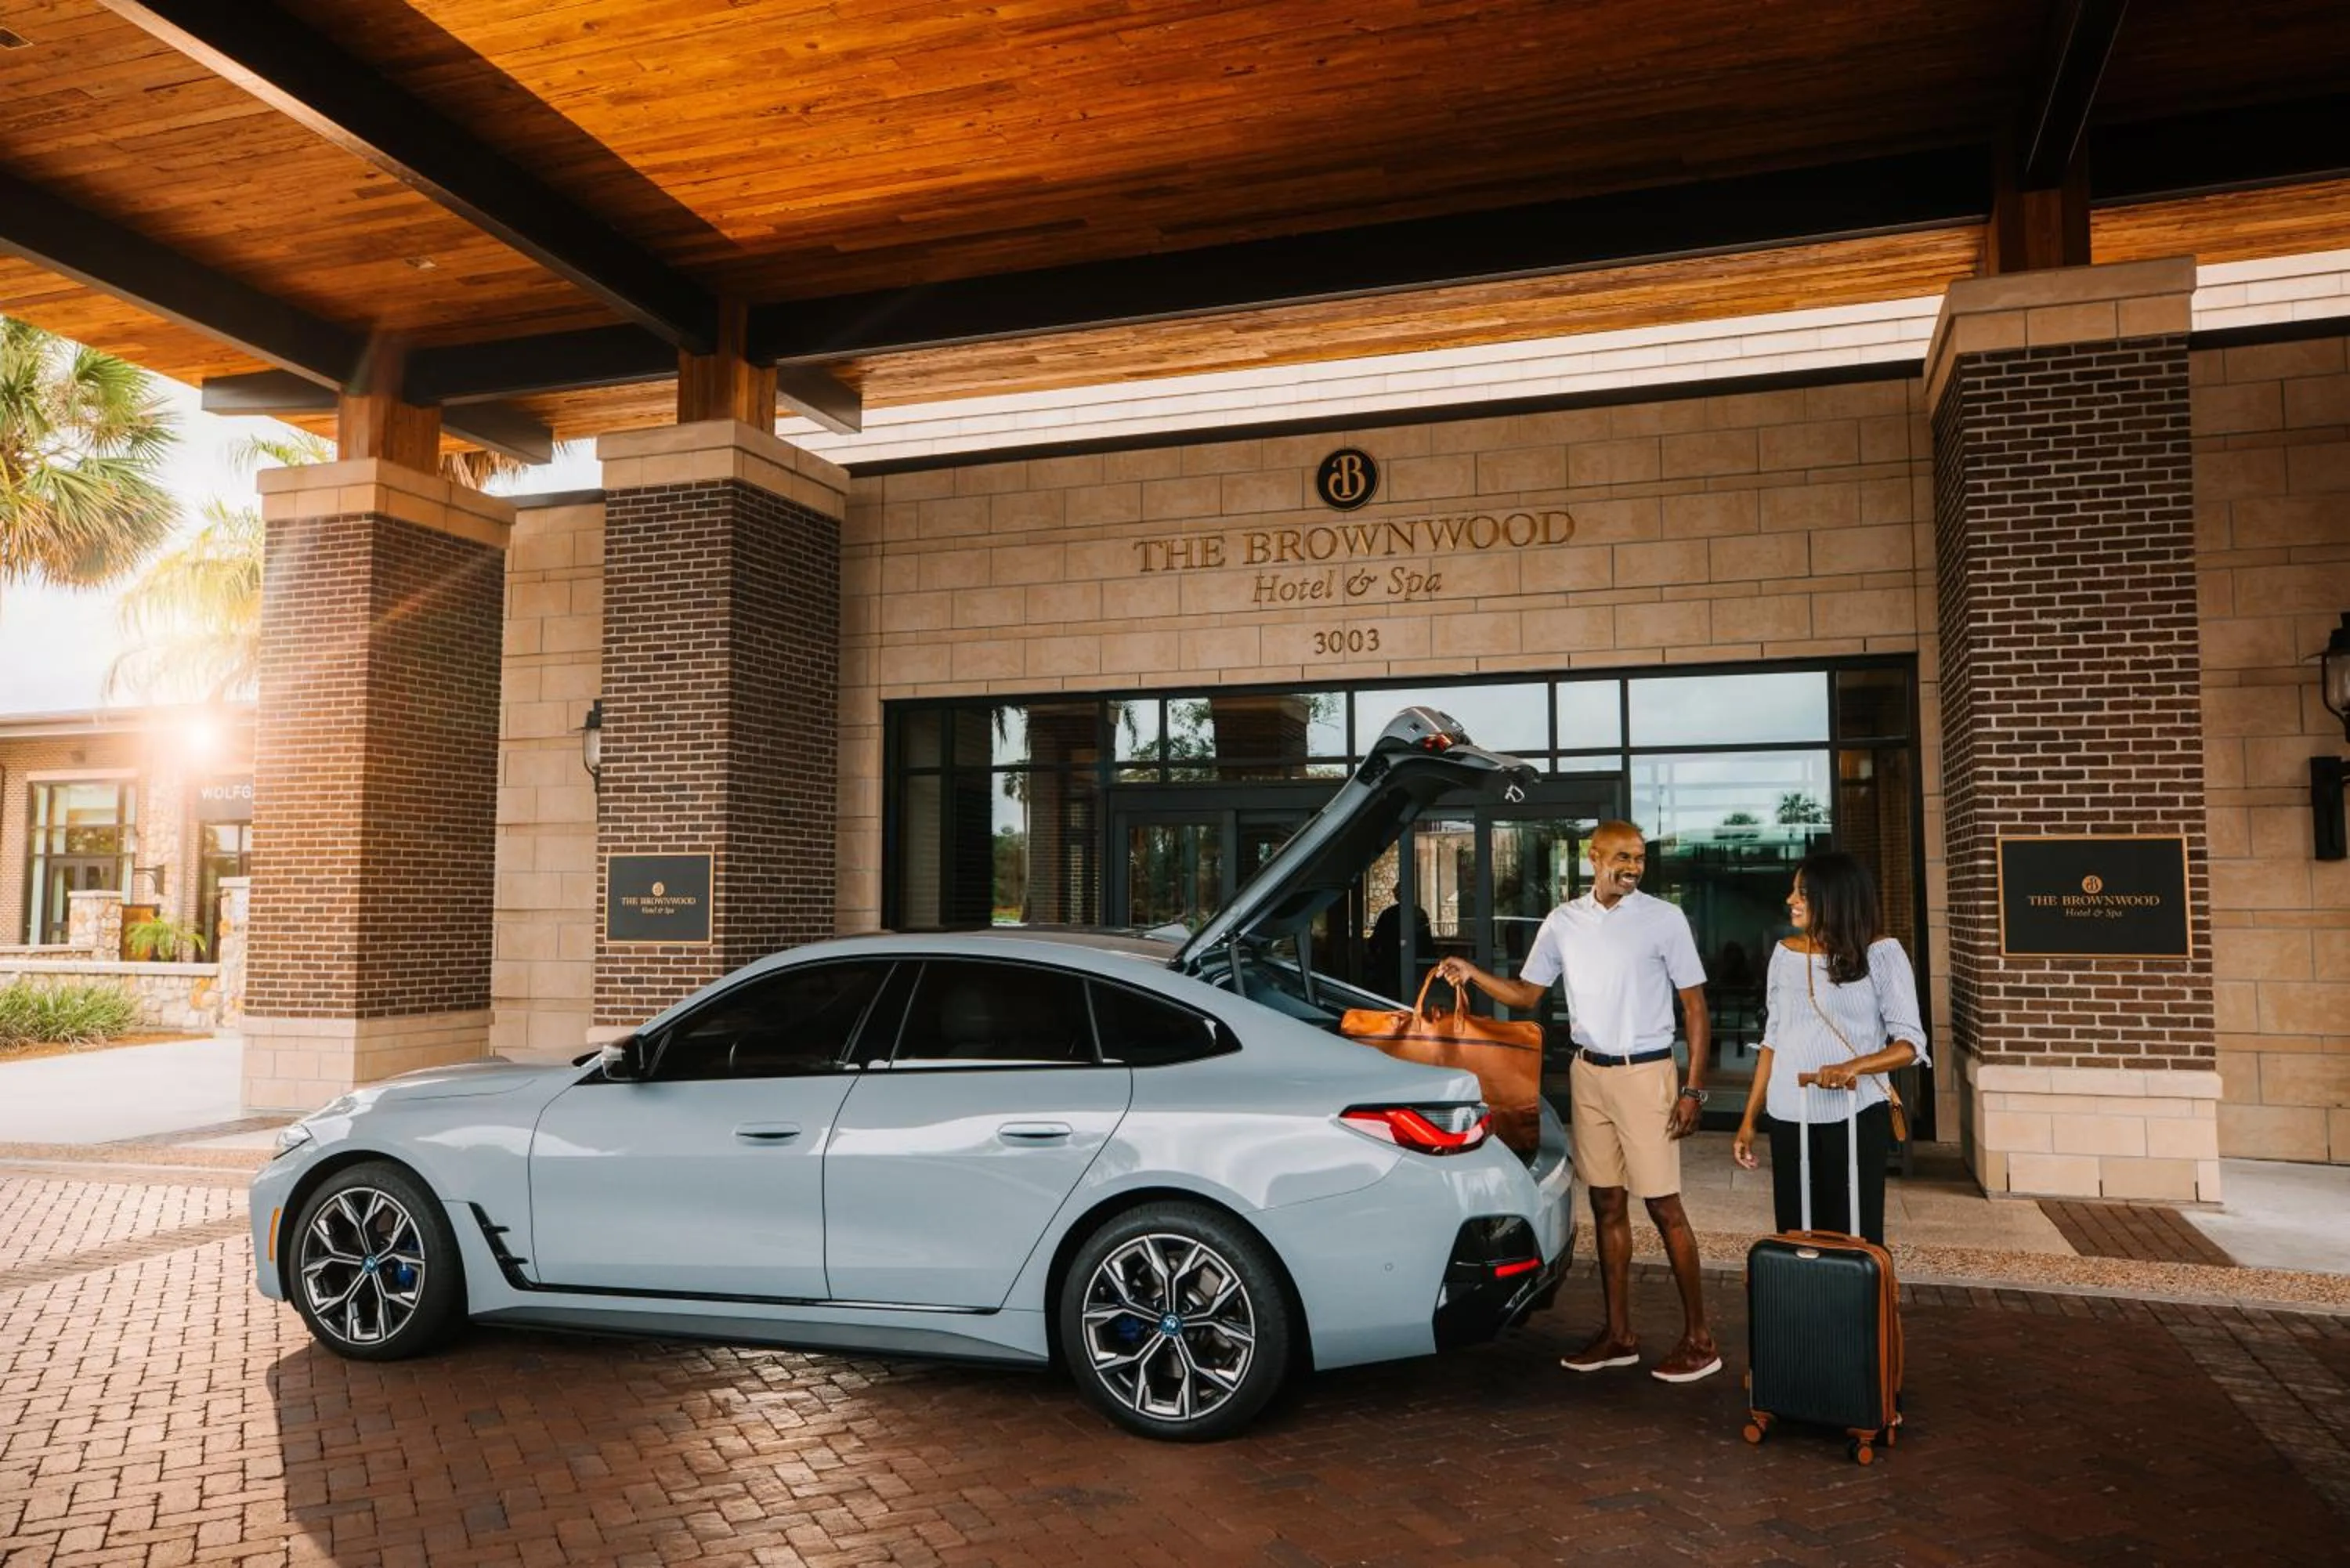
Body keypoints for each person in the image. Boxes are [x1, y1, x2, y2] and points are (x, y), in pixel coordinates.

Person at [1437, 820, 1721, 1385]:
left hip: (1646, 1074)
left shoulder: (1664, 919)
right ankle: (1619, 1336)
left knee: (1663, 1207)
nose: (1633, 867)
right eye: (1622, 857)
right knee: (1607, 1205)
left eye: (1639, 858)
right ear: (1594, 857)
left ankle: (1700, 1340)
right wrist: (1472, 974)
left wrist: (1692, 1089)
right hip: (1588, 1075)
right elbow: (1527, 994)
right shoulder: (1563, 921)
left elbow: (1695, 1008)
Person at [1731, 851, 1927, 1245]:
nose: (1790, 900)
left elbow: (1910, 1044)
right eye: (1793, 891)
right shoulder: (1785, 953)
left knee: (1855, 1235)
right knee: (1796, 1235)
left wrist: (1852, 1066)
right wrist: (1749, 1119)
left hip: (1855, 1112)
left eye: (1802, 892)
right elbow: (1772, 1040)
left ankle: (1858, 1289)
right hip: (1789, 1112)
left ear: (1835, 897)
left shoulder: (1882, 953)